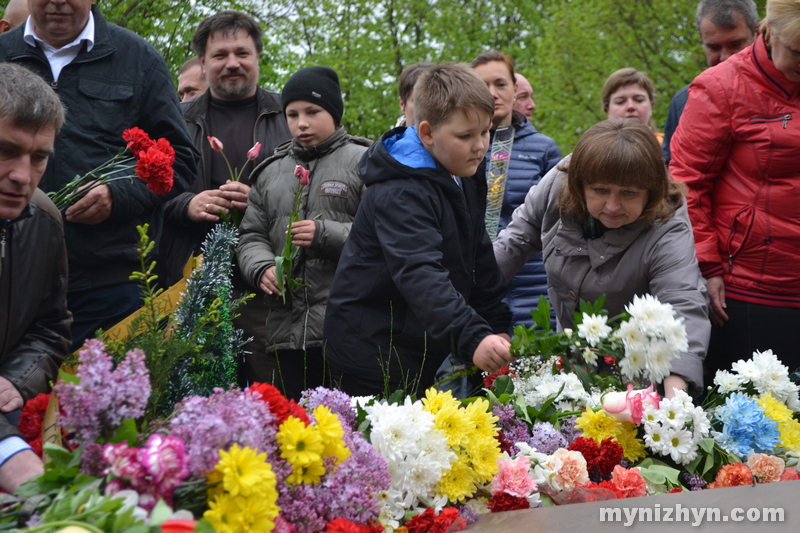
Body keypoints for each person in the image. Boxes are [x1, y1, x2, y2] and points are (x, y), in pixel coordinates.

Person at [0, 0, 196, 351]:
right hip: (10, 282)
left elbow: (180, 159)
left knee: (97, 404)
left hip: (108, 287)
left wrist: (117, 195)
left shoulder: (139, 59)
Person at [323, 63, 514, 397]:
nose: (480, 146)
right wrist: (472, 337)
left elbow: (477, 255)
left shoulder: (462, 172)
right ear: (427, 133)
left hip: (422, 346)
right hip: (374, 353)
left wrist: (497, 325)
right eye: (465, 136)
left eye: (485, 131)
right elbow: (419, 272)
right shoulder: (401, 190)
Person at [494, 120, 711, 397]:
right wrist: (465, 316)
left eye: (628, 193)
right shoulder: (557, 184)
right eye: (599, 191)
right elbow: (511, 246)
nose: (612, 205)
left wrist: (675, 402)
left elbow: (682, 303)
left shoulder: (667, 223)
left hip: (636, 377)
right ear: (579, 184)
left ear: (651, 191)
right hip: (570, 365)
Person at [669, 0, 800, 378]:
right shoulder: (721, 87)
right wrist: (707, 265)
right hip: (747, 287)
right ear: (770, 29)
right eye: (796, 52)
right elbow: (686, 182)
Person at [160, 11, 291, 386]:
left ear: (258, 57)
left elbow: (317, 193)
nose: (232, 63)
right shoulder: (175, 120)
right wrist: (187, 204)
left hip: (268, 291)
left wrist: (262, 201)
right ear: (202, 62)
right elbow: (148, 195)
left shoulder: (291, 116)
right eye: (219, 55)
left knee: (273, 399)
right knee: (192, 398)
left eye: (242, 53)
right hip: (190, 285)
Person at [238, 66, 370, 400]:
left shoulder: (364, 162)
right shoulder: (269, 172)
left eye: (313, 112)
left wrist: (325, 233)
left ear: (335, 113)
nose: (302, 123)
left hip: (347, 329)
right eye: (292, 114)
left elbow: (380, 234)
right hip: (286, 331)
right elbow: (251, 236)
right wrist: (263, 267)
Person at [0, 63, 71, 493]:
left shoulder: (44, 219)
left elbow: (50, 326)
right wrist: (8, 452)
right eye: (6, 150)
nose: (22, 176)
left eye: (38, 157)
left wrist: (16, 380)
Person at [472, 51, 561, 329]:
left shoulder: (544, 148)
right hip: (475, 283)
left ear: (515, 91)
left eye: (501, 84)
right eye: (483, 86)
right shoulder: (457, 148)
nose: (493, 93)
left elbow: (560, 222)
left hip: (533, 283)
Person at [662, 0, 758, 164]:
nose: (725, 57)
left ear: (757, 32)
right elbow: (672, 172)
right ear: (701, 38)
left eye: (735, 44)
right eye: (714, 47)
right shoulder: (683, 102)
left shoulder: (787, 91)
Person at [601, 68, 663, 144]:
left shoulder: (670, 147)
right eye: (620, 102)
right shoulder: (593, 151)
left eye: (639, 100)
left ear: (651, 106)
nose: (631, 106)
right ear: (607, 110)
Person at [395, 62, 433, 127]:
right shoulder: (391, 137)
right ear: (402, 105)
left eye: (433, 102)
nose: (426, 109)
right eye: (418, 102)